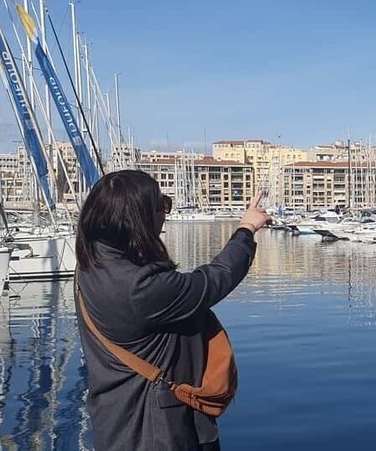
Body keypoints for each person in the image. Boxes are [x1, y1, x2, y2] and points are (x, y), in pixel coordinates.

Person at [75, 170, 271, 451]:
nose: (166, 213)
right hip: (158, 432)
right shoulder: (140, 287)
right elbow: (214, 280)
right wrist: (246, 229)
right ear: (139, 219)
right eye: (162, 205)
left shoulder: (89, 266)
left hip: (115, 423)